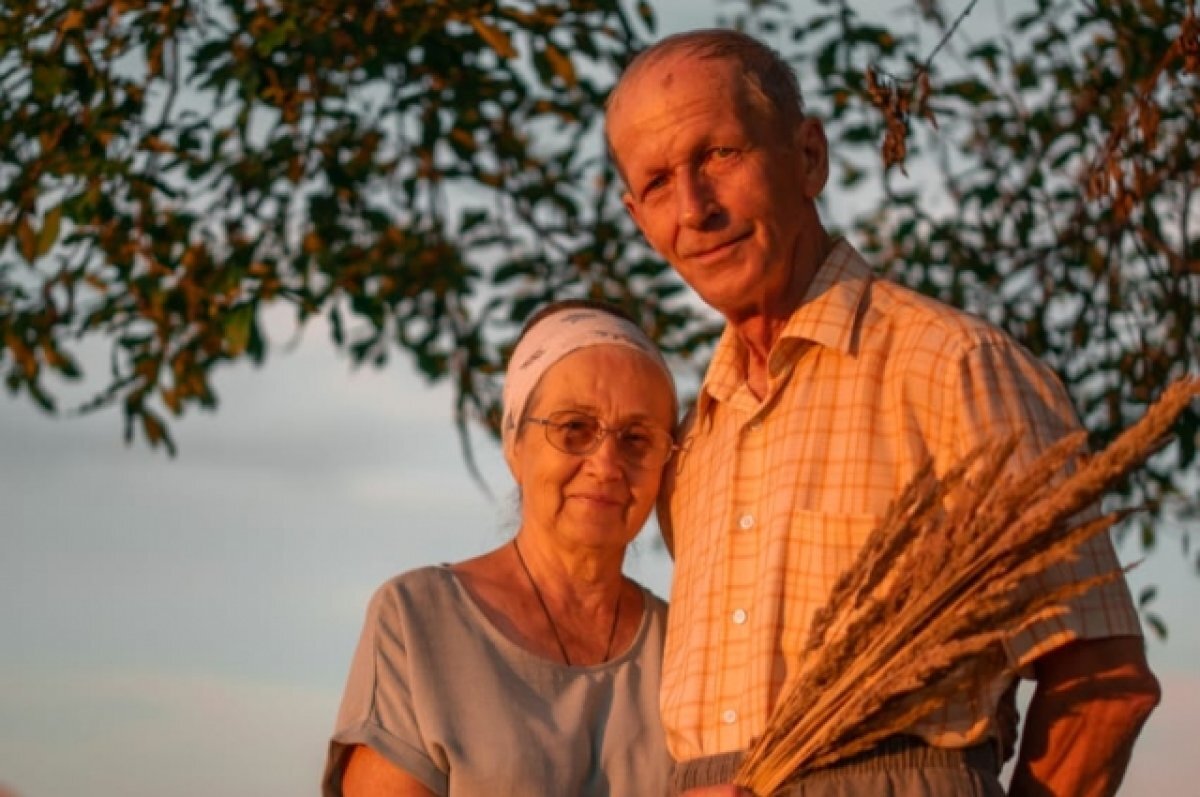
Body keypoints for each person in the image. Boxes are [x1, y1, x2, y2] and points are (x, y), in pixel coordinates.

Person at [604, 28, 1160, 797]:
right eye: (659, 182)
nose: (694, 208)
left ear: (808, 158)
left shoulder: (955, 368)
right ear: (638, 217)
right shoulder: (694, 442)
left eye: (721, 155)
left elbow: (1102, 684)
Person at [321, 300, 678, 796]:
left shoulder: (687, 648)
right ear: (515, 444)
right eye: (574, 428)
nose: (606, 463)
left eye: (637, 438)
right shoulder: (418, 621)